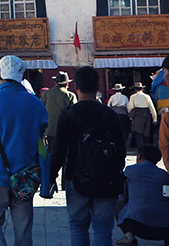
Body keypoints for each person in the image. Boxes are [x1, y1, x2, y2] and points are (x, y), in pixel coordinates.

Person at [0, 55, 48, 246]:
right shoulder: (36, 103)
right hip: (25, 174)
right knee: (23, 230)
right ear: (22, 76)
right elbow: (41, 131)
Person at [48, 66, 126, 246]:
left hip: (76, 178)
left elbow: (58, 151)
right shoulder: (110, 114)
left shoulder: (67, 115)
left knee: (77, 226)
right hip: (107, 180)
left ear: (76, 86)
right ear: (98, 87)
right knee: (103, 229)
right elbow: (121, 151)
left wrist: (51, 177)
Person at [116, 145, 169, 246]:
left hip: (136, 224)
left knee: (118, 202)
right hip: (166, 227)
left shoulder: (130, 171)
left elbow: (122, 195)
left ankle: (129, 236)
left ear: (139, 156)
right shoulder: (165, 175)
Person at [41, 70, 77, 154]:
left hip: (49, 131)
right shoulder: (70, 96)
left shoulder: (46, 94)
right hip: (65, 131)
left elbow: (41, 110)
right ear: (67, 84)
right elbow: (75, 114)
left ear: (55, 83)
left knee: (51, 156)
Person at [128, 82, 157, 149]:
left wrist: (131, 116)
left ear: (135, 89)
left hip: (137, 115)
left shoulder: (133, 97)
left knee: (138, 132)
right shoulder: (147, 96)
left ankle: (141, 148)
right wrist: (154, 118)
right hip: (146, 114)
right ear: (142, 89)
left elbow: (130, 107)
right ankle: (146, 148)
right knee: (146, 133)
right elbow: (151, 107)